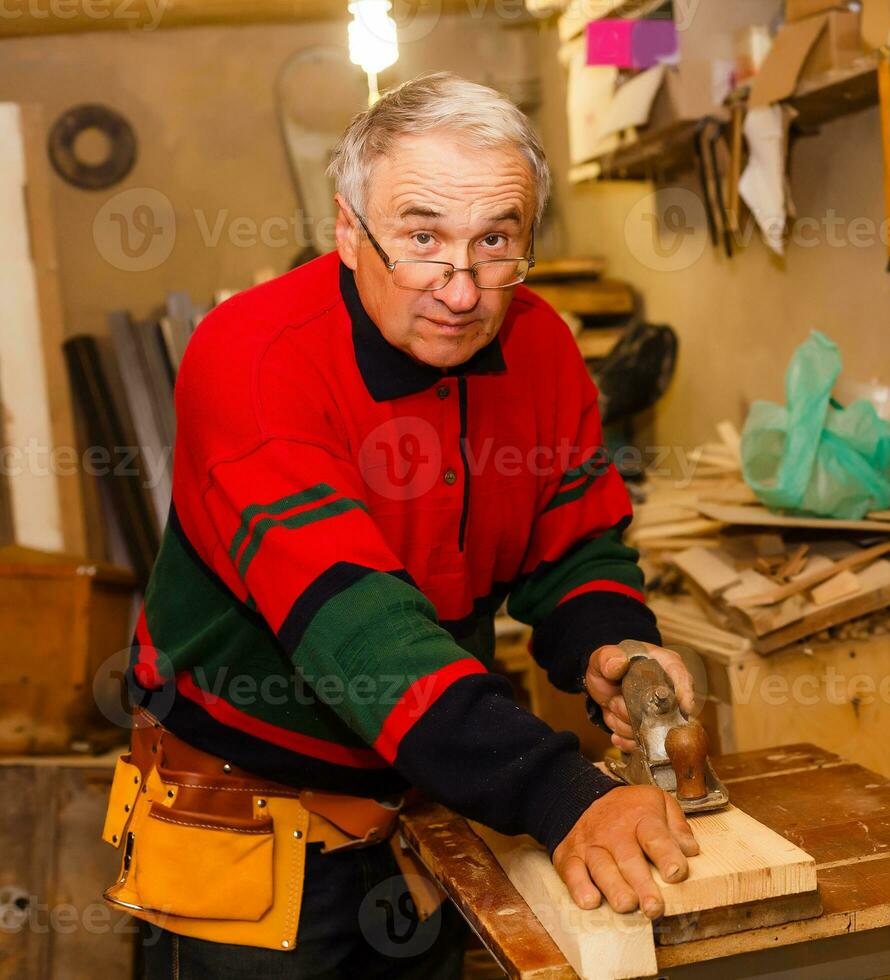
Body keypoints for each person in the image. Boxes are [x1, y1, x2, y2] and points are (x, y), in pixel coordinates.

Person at [101, 72, 697, 978]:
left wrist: (610, 643)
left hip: (427, 801)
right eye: (422, 239)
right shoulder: (252, 358)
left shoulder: (539, 346)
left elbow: (571, 538)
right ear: (350, 229)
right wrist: (560, 792)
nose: (461, 291)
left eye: (495, 242)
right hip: (249, 829)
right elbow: (361, 636)